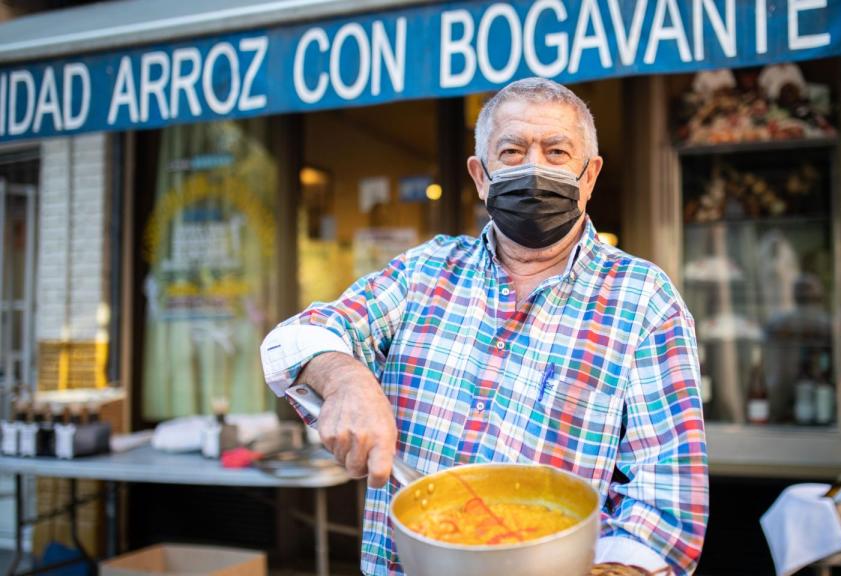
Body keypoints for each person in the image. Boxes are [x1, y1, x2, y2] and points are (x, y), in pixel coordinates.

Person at [260, 78, 708, 575]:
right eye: (512, 151)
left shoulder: (643, 299)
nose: (535, 168)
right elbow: (294, 340)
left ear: (589, 175)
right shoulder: (422, 272)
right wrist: (345, 379)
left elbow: (667, 495)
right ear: (480, 174)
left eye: (557, 152)